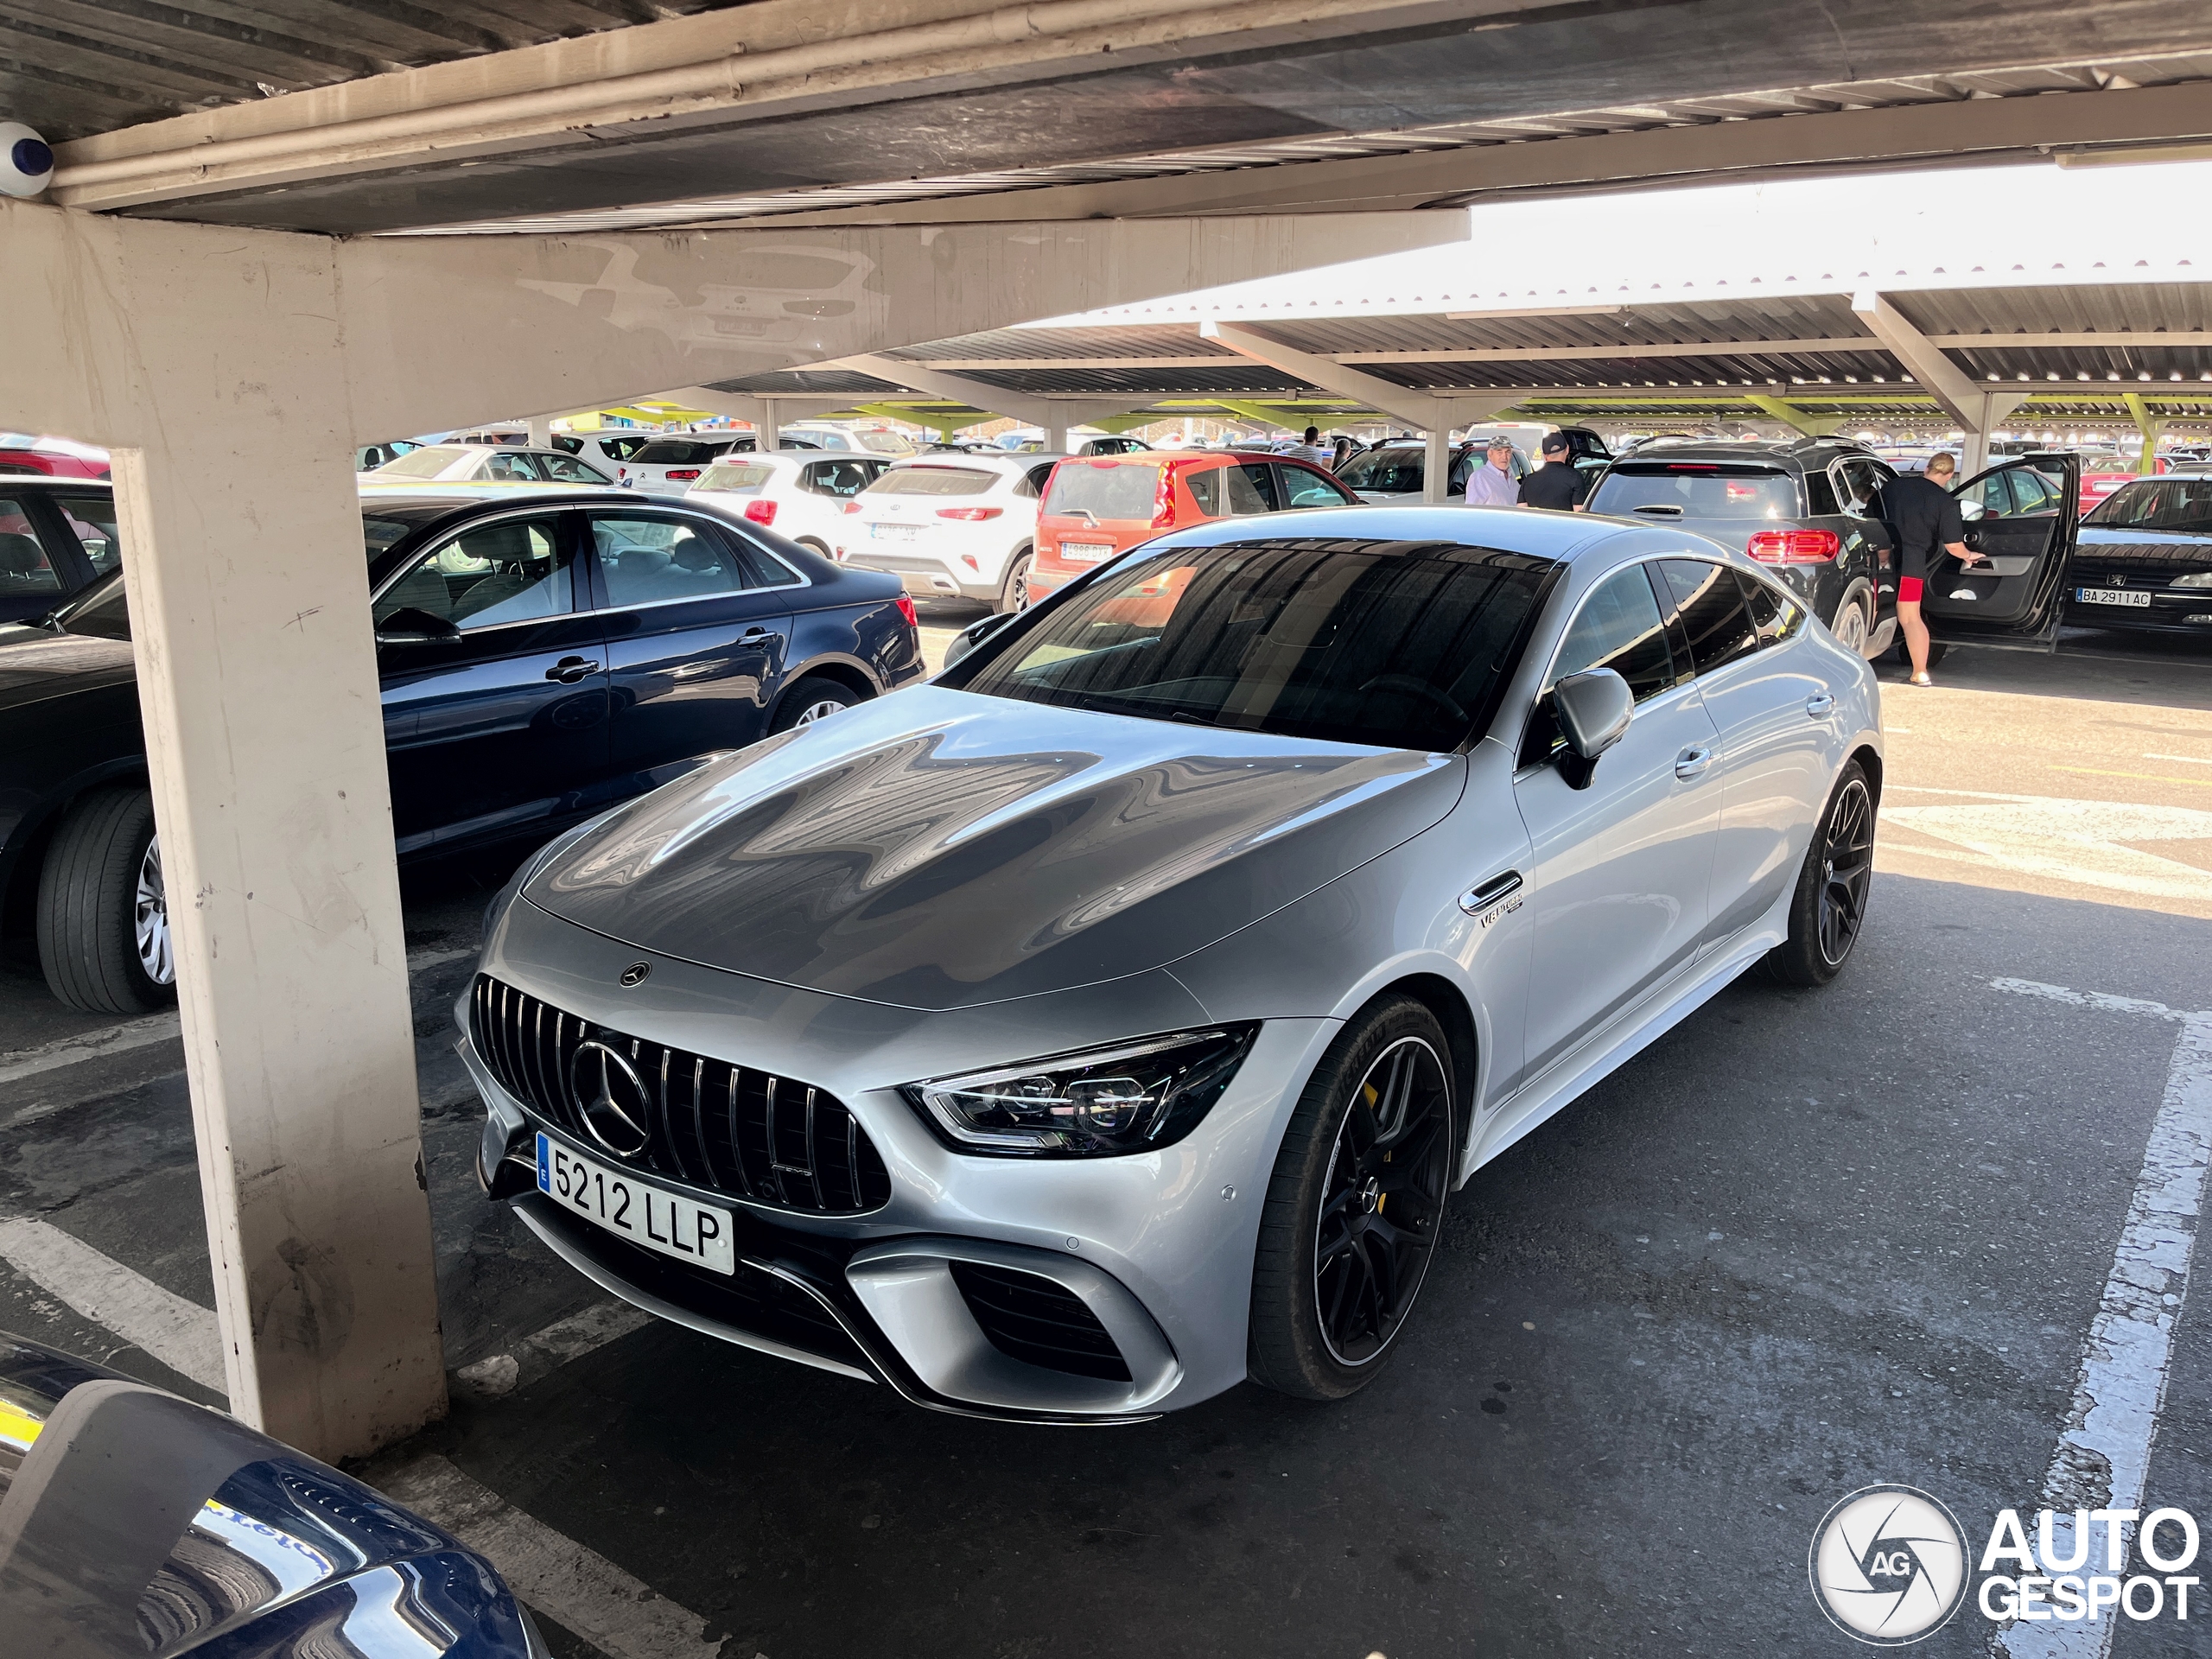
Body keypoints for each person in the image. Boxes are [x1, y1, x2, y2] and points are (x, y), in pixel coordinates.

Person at [1876, 450, 1986, 686]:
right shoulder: (1945, 502)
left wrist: (1881, 555)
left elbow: (1872, 523)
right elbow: (1954, 546)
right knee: (1910, 618)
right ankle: (1920, 673)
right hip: (1912, 565)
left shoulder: (1892, 488)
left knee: (1873, 611)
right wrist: (1970, 555)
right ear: (1949, 475)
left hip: (1881, 562)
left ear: (1927, 468)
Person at [1518, 432, 1586, 511]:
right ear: (1567, 449)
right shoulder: (1575, 478)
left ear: (1544, 456)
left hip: (1536, 523)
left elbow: (1521, 512)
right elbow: (1579, 512)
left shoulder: (1528, 481)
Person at [1464, 435, 1519, 506]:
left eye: (1507, 452)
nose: (1504, 457)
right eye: (1499, 452)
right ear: (1490, 454)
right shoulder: (1480, 477)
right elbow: (1472, 510)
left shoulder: (1511, 478)